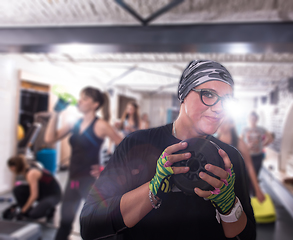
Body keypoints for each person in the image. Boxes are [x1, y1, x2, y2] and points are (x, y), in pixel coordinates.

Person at [80, 60, 256, 240]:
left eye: (227, 100)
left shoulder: (229, 158)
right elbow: (90, 223)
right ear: (184, 94)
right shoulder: (136, 144)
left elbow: (248, 236)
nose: (219, 108)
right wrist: (152, 191)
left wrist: (230, 207)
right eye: (208, 94)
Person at [44, 87, 123, 240]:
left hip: (90, 183)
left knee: (96, 226)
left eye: (85, 98)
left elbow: (125, 146)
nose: (79, 101)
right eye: (80, 98)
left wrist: (106, 169)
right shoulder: (74, 123)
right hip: (72, 181)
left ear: (95, 104)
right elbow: (50, 139)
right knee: (64, 223)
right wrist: (56, 113)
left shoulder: (101, 125)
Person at [217, 118, 265, 203]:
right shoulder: (213, 143)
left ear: (231, 124)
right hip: (220, 187)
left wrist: (257, 190)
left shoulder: (239, 143)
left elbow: (249, 166)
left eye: (224, 122)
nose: (221, 125)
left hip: (238, 185)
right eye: (218, 122)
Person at [6, 155, 61, 222]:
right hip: (44, 192)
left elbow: (34, 195)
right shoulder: (28, 170)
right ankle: (27, 211)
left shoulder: (31, 173)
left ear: (13, 167)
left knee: (33, 215)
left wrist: (22, 211)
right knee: (18, 190)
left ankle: (49, 210)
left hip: (53, 195)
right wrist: (17, 206)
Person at [241, 112, 272, 178]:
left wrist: (263, 144)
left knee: (256, 174)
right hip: (248, 156)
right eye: (251, 119)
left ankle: (253, 187)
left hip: (258, 155)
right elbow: (239, 141)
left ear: (257, 119)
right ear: (248, 119)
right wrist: (246, 146)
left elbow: (270, 137)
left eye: (254, 119)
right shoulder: (245, 129)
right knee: (247, 175)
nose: (253, 121)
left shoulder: (261, 129)